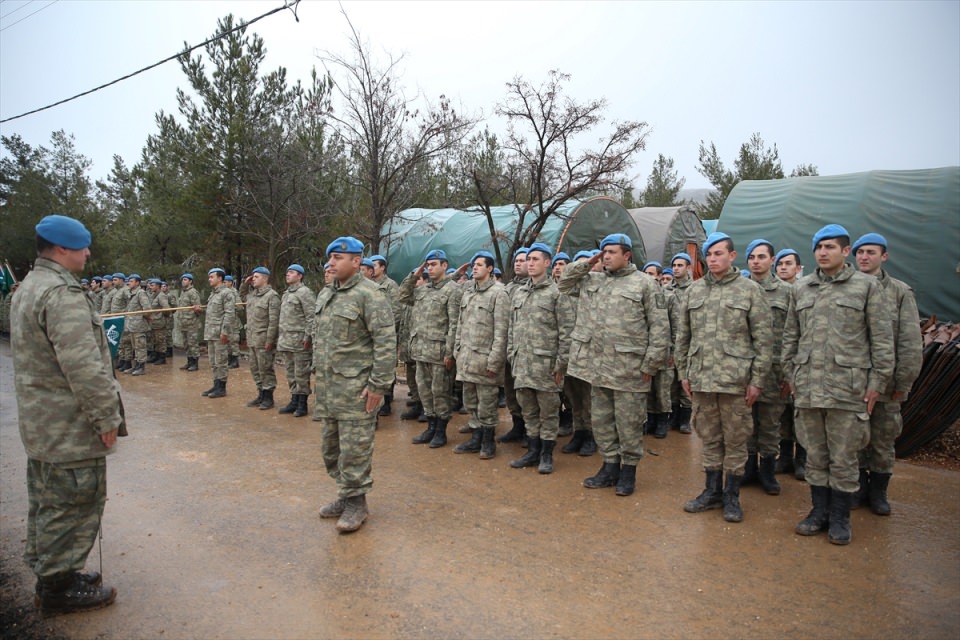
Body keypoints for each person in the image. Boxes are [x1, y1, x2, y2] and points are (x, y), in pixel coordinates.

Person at [11, 214, 121, 616]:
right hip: (68, 425)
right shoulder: (61, 293)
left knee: (47, 498)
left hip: (43, 422)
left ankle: (53, 574)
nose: (88, 253)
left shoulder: (29, 287)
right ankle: (57, 588)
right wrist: (105, 416)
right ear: (61, 250)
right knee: (74, 501)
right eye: (83, 247)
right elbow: (83, 365)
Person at [783, 224, 894, 545]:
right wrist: (792, 376)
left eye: (830, 247)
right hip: (809, 389)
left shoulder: (866, 287)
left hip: (849, 390)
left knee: (844, 458)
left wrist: (877, 383)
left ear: (846, 251)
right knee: (816, 456)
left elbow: (882, 341)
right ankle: (819, 512)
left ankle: (841, 518)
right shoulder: (801, 289)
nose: (823, 252)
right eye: (818, 247)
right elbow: (791, 338)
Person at [559, 235, 670, 496]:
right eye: (603, 252)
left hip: (630, 369)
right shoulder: (592, 280)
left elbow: (659, 327)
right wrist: (589, 262)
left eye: (611, 252)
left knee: (628, 423)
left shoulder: (644, 284)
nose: (605, 256)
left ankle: (628, 471)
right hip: (597, 368)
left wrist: (651, 364)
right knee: (602, 421)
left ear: (627, 255)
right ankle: (609, 467)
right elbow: (564, 282)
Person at [676, 232, 773, 523]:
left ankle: (732, 496)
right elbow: (683, 337)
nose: (713, 259)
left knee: (736, 439)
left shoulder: (749, 291)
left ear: (732, 256)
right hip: (703, 380)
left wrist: (757, 380)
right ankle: (711, 491)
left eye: (719, 253)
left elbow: (764, 340)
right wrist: (684, 373)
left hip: (735, 382)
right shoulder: (694, 291)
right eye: (709, 254)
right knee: (709, 437)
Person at [314, 236, 396, 533]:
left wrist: (378, 386)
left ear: (357, 261)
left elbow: (386, 343)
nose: (332, 263)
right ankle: (345, 493)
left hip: (356, 390)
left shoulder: (370, 295)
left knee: (355, 449)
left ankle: (357, 503)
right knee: (331, 448)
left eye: (338, 258)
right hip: (329, 388)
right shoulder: (327, 294)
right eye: (331, 258)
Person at [851, 233, 922, 514]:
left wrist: (903, 380)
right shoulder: (848, 288)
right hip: (852, 381)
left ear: (884, 256)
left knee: (882, 440)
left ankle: (878, 493)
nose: (864, 257)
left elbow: (909, 340)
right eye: (860, 253)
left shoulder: (899, 292)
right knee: (854, 439)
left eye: (870, 252)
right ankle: (857, 487)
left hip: (886, 385)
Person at [507, 243, 574, 474]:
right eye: (528, 259)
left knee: (549, 413)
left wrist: (561, 364)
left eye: (536, 259)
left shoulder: (557, 293)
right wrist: (511, 355)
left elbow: (566, 332)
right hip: (522, 365)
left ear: (547, 263)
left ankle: (546, 454)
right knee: (529, 411)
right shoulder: (520, 293)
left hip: (546, 367)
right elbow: (511, 328)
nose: (530, 263)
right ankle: (533, 451)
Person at [743, 239, 792, 496]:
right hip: (744, 369)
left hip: (775, 370)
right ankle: (749, 468)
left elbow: (794, 333)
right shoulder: (740, 289)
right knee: (747, 422)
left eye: (761, 257)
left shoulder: (786, 292)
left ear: (771, 261)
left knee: (771, 423)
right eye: (752, 257)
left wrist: (789, 373)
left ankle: (768, 472)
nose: (756, 261)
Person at [398, 249, 461, 448]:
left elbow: (454, 324)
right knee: (425, 392)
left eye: (435, 264)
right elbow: (403, 295)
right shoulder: (423, 290)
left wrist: (450, 353)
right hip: (420, 351)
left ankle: (441, 431)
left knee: (440, 393)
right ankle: (431, 427)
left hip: (439, 353)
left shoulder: (452, 290)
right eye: (428, 265)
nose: (431, 268)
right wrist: (416, 273)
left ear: (444, 265)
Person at [452, 251, 509, 459]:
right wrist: (457, 350)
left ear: (490, 268)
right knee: (471, 402)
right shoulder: (469, 292)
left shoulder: (499, 293)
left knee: (487, 404)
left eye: (479, 265)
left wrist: (495, 361)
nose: (474, 268)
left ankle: (488, 441)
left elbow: (502, 331)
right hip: (467, 359)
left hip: (485, 360)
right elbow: (460, 324)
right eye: (473, 265)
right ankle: (476, 438)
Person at [559, 250, 599, 456]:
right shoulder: (573, 288)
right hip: (571, 351)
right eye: (582, 264)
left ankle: (591, 435)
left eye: (592, 263)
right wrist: (585, 264)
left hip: (593, 352)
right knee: (573, 396)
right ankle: (579, 431)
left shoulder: (602, 287)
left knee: (589, 397)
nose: (588, 267)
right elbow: (566, 277)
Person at [773, 248, 804, 477]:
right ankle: (784, 457)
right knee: (782, 414)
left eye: (788, 263)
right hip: (777, 363)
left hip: (801, 363)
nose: (783, 267)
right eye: (780, 264)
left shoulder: (805, 292)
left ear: (798, 268)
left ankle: (802, 460)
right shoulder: (774, 293)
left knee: (801, 415)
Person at [497, 247, 531, 443]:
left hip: (526, 350)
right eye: (516, 261)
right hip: (509, 348)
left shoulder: (533, 287)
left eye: (523, 260)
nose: (518, 263)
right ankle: (517, 426)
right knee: (510, 390)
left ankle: (530, 430)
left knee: (526, 392)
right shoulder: (508, 288)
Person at [277, 264, 316, 418]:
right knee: (290, 373)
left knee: (301, 374)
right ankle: (293, 400)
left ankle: (302, 404)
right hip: (287, 341)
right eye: (287, 272)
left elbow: (311, 317)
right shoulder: (286, 294)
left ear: (300, 276)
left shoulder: (305, 293)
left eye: (291, 272)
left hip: (300, 342)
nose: (287, 274)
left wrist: (308, 337)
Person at [240, 267, 281, 410]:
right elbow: (242, 295)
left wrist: (270, 340)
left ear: (265, 278)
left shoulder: (272, 296)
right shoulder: (252, 295)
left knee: (265, 368)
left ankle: (268, 397)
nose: (253, 279)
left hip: (263, 339)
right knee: (255, 368)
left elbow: (274, 321)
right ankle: (261, 394)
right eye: (253, 277)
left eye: (256, 277)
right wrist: (245, 283)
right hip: (252, 338)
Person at [665, 253, 695, 434]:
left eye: (680, 265)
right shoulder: (667, 290)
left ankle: (685, 419)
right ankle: (673, 417)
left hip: (688, 344)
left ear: (688, 268)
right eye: (674, 265)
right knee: (671, 384)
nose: (676, 268)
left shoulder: (694, 289)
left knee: (686, 382)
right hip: (670, 343)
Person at [197, 267, 236, 399]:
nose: (209, 279)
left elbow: (229, 314)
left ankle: (222, 387)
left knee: (221, 361)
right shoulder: (213, 294)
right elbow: (212, 312)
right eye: (209, 277)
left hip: (220, 333)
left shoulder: (227, 293)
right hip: (211, 333)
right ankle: (216, 384)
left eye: (212, 277)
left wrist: (224, 332)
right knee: (213, 362)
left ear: (220, 278)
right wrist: (199, 310)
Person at [370, 254, 401, 417]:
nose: (372, 268)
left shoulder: (390, 286)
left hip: (385, 334)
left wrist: (386, 330)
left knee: (386, 366)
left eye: (375, 265)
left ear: (382, 267)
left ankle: (387, 399)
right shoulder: (367, 285)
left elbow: (396, 310)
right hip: (370, 335)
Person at [123, 274, 153, 376]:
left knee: (140, 346)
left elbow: (148, 309)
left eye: (131, 281)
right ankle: (136, 365)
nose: (128, 283)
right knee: (135, 346)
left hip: (139, 325)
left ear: (137, 283)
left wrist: (141, 317)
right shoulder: (131, 293)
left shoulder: (141, 293)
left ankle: (141, 367)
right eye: (129, 281)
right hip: (131, 325)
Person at [176, 274, 202, 372]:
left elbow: (198, 309)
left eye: (185, 279)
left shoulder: (192, 292)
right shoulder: (183, 292)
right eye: (182, 279)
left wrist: (196, 310)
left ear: (190, 281)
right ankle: (189, 361)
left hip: (191, 323)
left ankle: (195, 363)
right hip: (183, 323)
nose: (183, 281)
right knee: (186, 344)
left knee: (193, 344)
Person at [146, 278, 171, 365]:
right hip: (154, 323)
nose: (150, 287)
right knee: (155, 340)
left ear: (158, 286)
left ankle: (162, 357)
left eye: (152, 285)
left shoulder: (161, 295)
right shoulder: (153, 295)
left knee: (160, 340)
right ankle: (156, 356)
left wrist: (163, 316)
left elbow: (166, 308)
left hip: (159, 322)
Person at [223, 275, 241, 368]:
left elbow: (240, 307)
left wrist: (231, 307)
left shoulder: (234, 293)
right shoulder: (223, 292)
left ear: (230, 283)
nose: (224, 283)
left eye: (226, 282)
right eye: (224, 281)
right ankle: (229, 359)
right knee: (227, 341)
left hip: (233, 321)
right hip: (225, 320)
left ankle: (235, 360)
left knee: (233, 341)